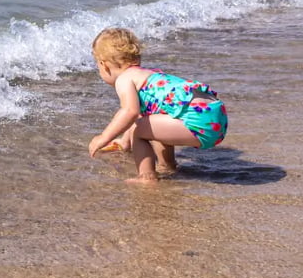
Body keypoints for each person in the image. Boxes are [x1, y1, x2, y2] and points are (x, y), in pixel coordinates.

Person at [88, 27, 227, 184]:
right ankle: (167, 165)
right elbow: (142, 115)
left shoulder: (124, 79)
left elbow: (129, 112)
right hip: (215, 115)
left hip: (198, 120)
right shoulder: (149, 74)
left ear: (104, 65)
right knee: (152, 122)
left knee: (139, 130)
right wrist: (124, 141)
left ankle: (147, 177)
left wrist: (103, 137)